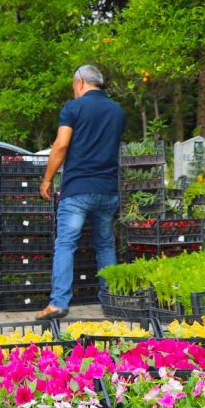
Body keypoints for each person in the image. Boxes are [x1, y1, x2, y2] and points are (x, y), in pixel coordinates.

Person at [36, 65, 126, 320]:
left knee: (65, 243)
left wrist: (47, 179)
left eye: (73, 85)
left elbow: (62, 144)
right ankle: (111, 301)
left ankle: (59, 303)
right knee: (106, 245)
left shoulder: (73, 108)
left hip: (78, 188)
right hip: (108, 189)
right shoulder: (117, 111)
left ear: (80, 82)